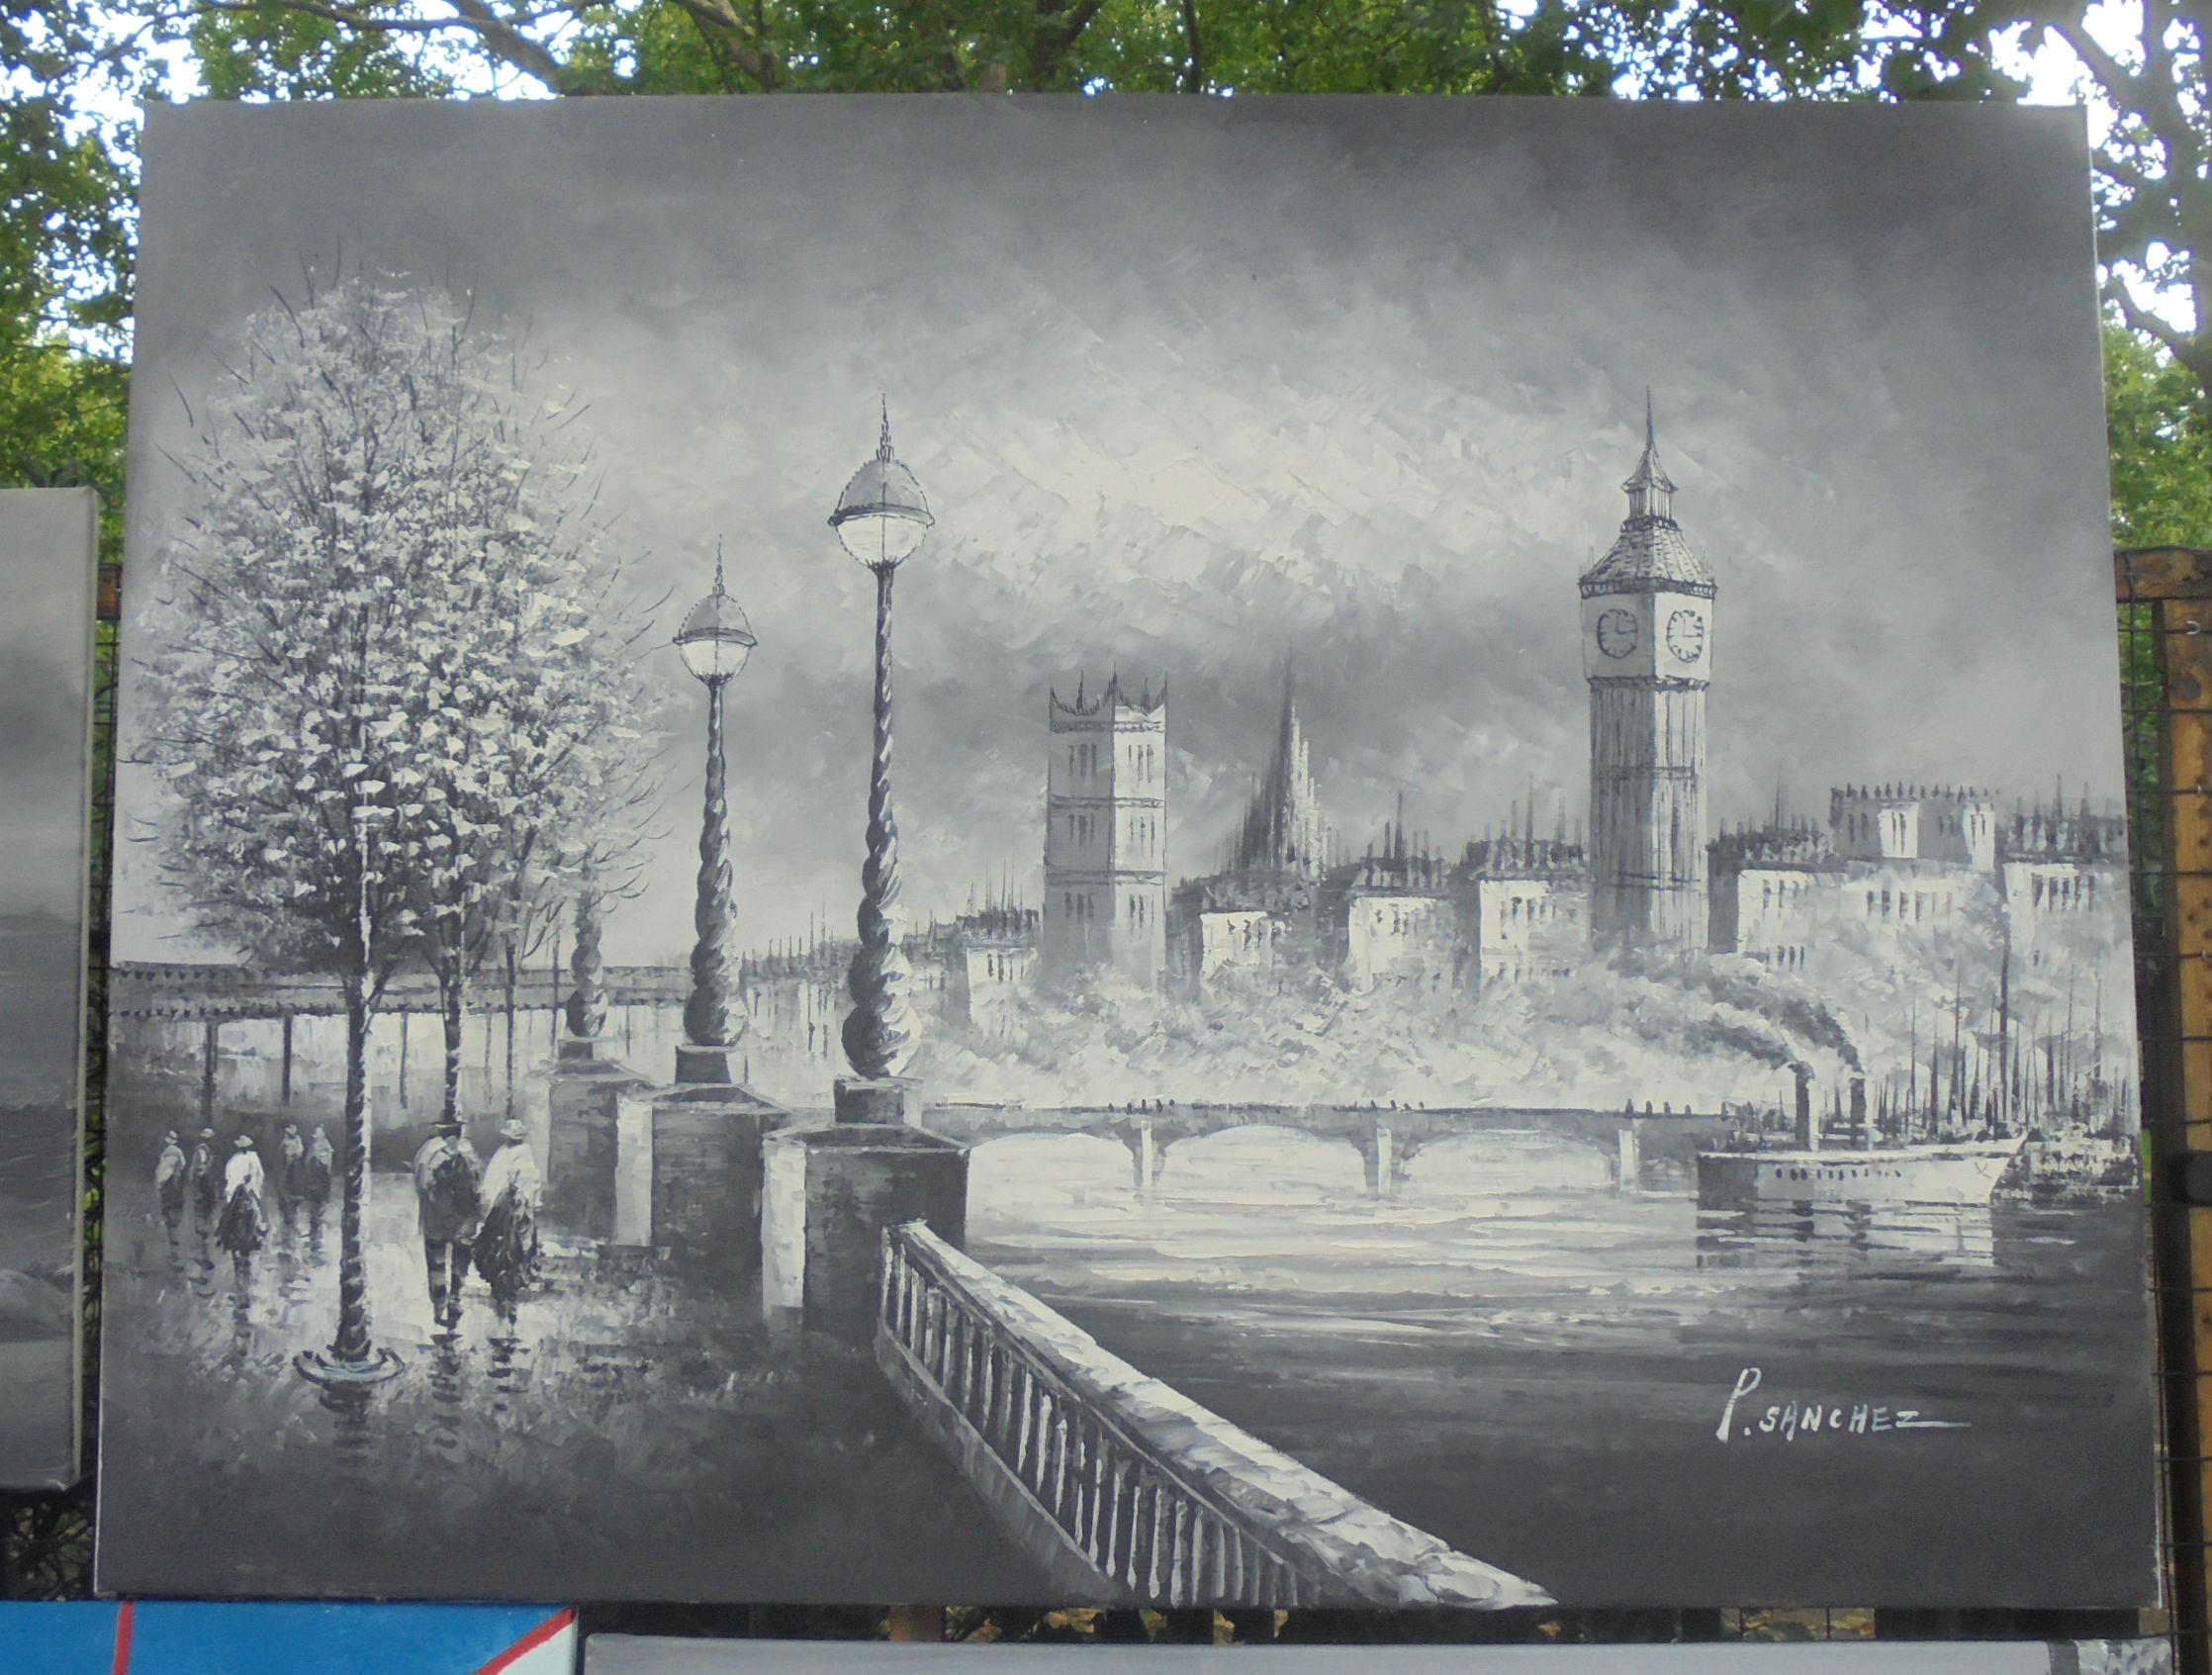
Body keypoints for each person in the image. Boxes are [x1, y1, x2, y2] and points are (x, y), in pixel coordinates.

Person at [412, 1119, 482, 1330]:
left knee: (436, 1260)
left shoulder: (428, 1151)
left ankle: (438, 1302)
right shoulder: (469, 1151)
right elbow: (477, 1185)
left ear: (440, 1130)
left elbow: (420, 1184)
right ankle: (456, 1297)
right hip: (463, 1219)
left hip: (435, 1217)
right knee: (460, 1259)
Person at [473, 1117, 542, 1329]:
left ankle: (510, 1288)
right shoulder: (502, 1154)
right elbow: (492, 1183)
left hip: (516, 1209)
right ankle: (502, 1287)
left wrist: (524, 1199)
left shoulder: (523, 1154)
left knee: (519, 1247)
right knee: (496, 1245)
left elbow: (530, 1184)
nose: (514, 1140)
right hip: (503, 1208)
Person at [215, 1132, 268, 1300]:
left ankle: (241, 1285)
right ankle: (252, 1240)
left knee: (231, 1223)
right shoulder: (249, 1159)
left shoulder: (237, 1160)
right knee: (252, 1219)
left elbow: (230, 1180)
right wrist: (253, 1189)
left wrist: (233, 1192)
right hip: (245, 1196)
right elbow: (258, 1178)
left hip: (239, 1196)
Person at [154, 1131, 187, 1256]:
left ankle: (173, 1247)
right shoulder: (178, 1152)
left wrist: (160, 1183)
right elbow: (183, 1165)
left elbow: (164, 1172)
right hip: (177, 1185)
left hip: (168, 1184)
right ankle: (174, 1242)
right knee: (174, 1211)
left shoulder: (169, 1154)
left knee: (168, 1212)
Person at [187, 1127, 219, 1235]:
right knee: (204, 1201)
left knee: (204, 1202)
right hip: (202, 1178)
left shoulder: (205, 1149)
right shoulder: (202, 1149)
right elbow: (203, 1165)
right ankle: (202, 1226)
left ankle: (203, 1225)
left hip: (202, 1178)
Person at [277, 1122, 305, 1236]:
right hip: (286, 1160)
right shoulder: (285, 1139)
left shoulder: (298, 1138)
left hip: (295, 1161)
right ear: (287, 1129)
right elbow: (280, 1149)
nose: (292, 1130)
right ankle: (285, 1196)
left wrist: (296, 1153)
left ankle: (294, 1195)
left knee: (295, 1177)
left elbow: (301, 1149)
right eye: (290, 1128)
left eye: (294, 1128)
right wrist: (285, 1150)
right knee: (285, 1178)